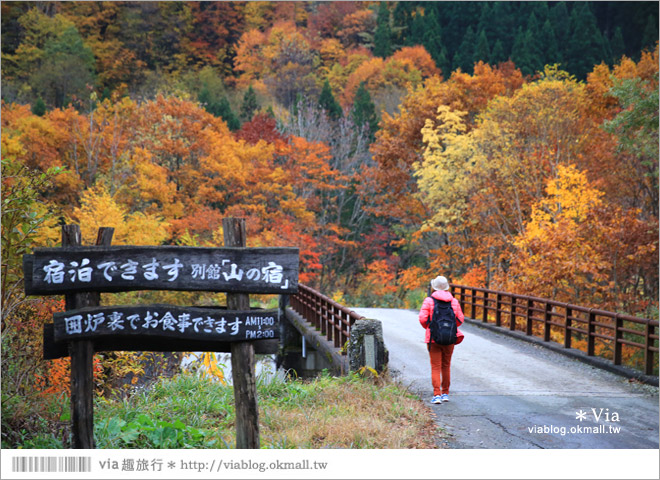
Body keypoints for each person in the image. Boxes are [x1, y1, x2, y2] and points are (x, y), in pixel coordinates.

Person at [418, 275, 464, 404]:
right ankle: (445, 393)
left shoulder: (429, 300)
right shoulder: (453, 301)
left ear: (434, 287)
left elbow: (422, 318)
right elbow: (460, 319)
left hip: (433, 338)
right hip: (450, 338)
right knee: (446, 366)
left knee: (435, 366)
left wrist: (430, 327)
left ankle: (436, 395)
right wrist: (449, 328)